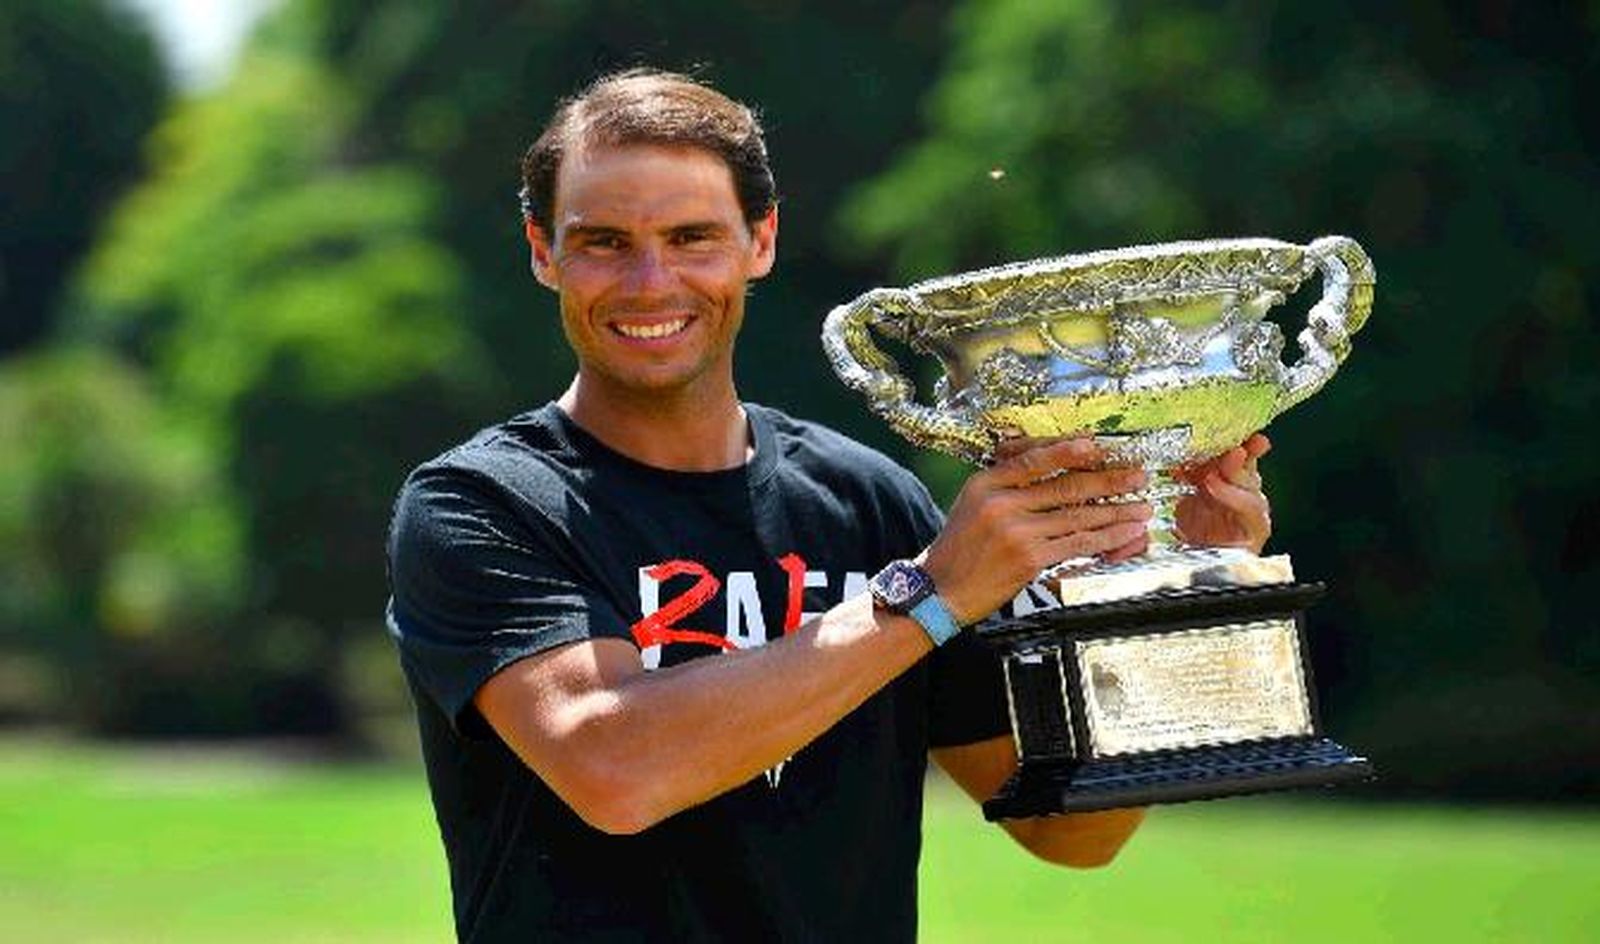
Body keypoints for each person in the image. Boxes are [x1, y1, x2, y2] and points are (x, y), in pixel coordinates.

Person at [385, 68, 1273, 943]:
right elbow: (616, 770)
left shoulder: (866, 503)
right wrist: (931, 596)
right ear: (544, 252)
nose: (651, 282)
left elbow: (1068, 830)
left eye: (694, 236)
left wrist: (1180, 604)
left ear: (760, 240)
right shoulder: (482, 504)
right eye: (605, 242)